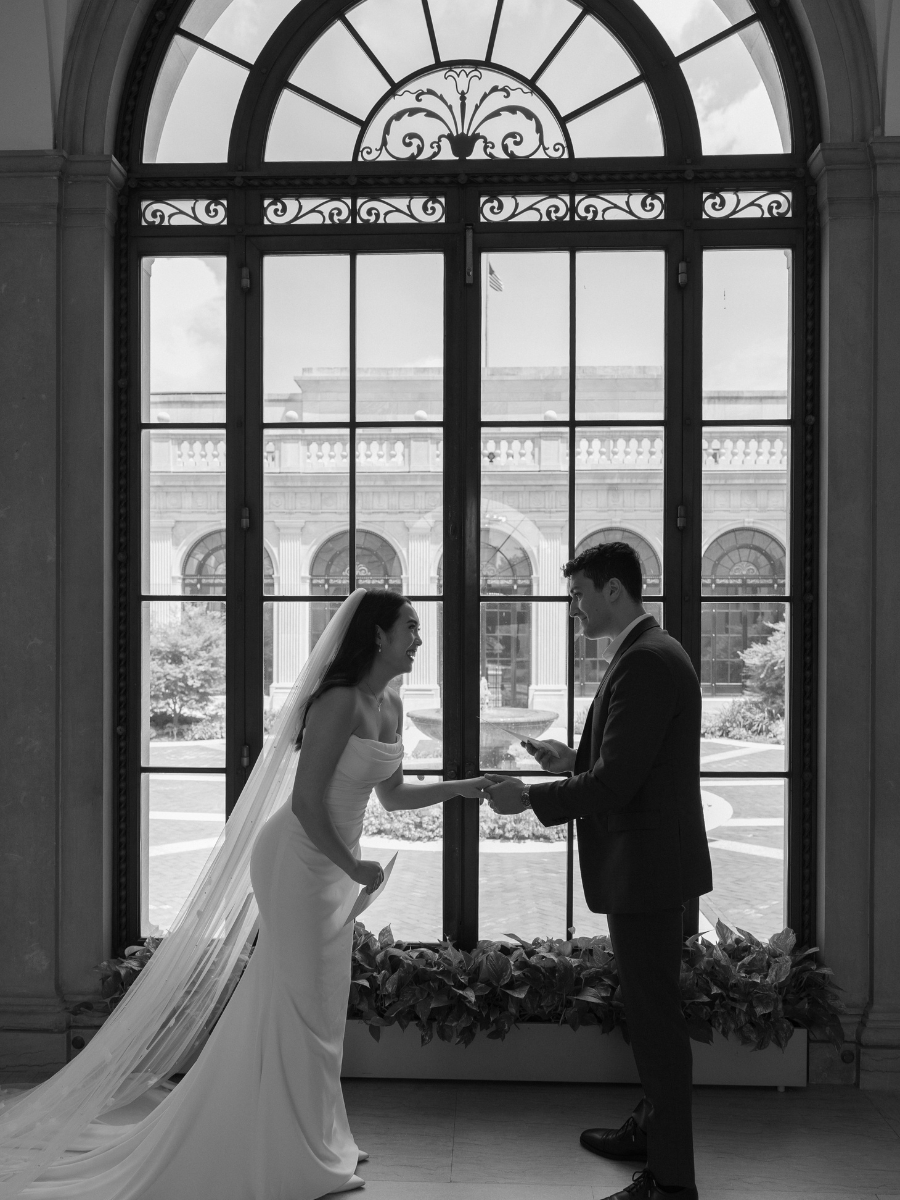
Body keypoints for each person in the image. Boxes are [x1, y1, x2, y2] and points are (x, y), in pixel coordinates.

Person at [0, 589, 491, 1199]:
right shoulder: (338, 702)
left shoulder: (391, 699)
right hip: (295, 859)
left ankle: (316, 1133)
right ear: (377, 636)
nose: (420, 638)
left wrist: (466, 787)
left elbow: (391, 796)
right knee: (303, 1005)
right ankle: (289, 1144)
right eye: (410, 627)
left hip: (336, 866)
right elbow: (309, 806)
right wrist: (357, 868)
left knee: (320, 1005)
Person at [486, 543, 712, 1200]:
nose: (575, 607)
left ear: (614, 590)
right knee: (648, 1014)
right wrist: (569, 758)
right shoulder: (649, 651)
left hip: (646, 869)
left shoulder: (645, 660)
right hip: (648, 864)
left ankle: (671, 1181)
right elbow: (628, 762)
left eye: (580, 593)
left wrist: (528, 796)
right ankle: (650, 1130)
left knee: (657, 1022)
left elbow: (615, 784)